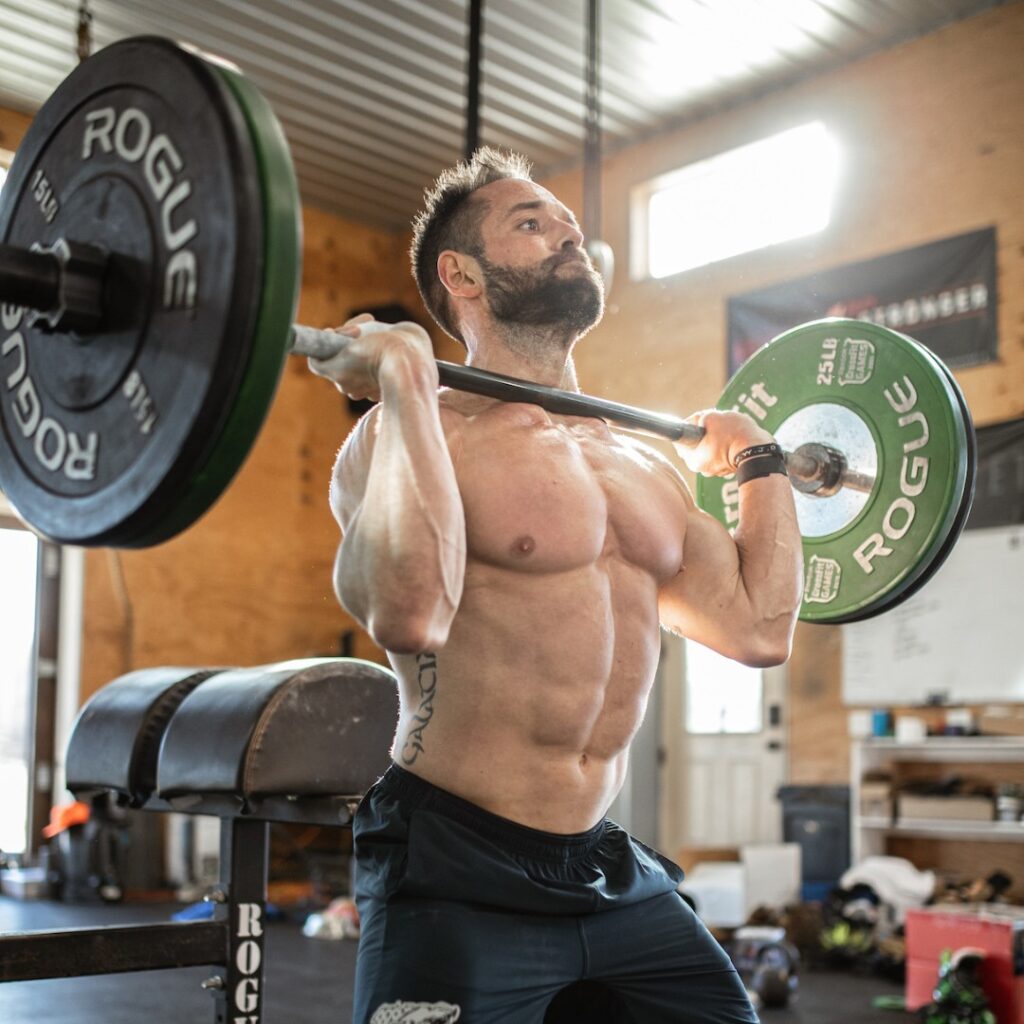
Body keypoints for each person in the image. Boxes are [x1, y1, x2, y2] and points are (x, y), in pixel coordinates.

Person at [308, 147, 804, 1024]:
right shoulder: (409, 433)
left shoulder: (646, 463)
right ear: (460, 273)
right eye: (531, 224)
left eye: (570, 225)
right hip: (451, 859)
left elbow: (759, 631)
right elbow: (409, 607)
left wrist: (761, 464)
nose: (568, 235)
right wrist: (405, 384)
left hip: (600, 865)